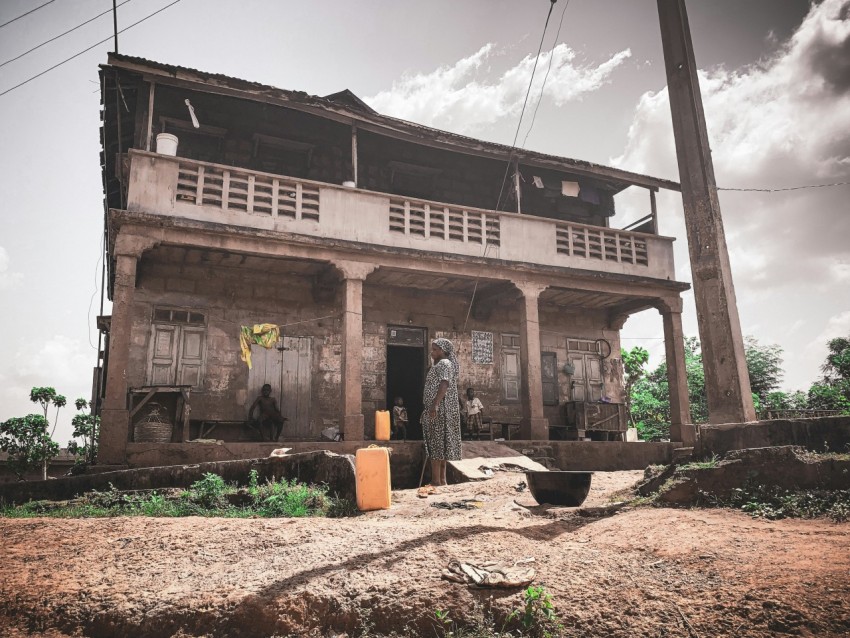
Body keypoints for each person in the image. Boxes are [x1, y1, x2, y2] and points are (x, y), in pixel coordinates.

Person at [421, 337, 462, 488]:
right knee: (441, 445)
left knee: (436, 445)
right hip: (441, 410)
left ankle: (436, 481)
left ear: (443, 351)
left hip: (439, 410)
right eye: (432, 349)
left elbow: (444, 384)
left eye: (435, 349)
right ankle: (442, 481)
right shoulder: (441, 365)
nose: (432, 352)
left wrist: (435, 405)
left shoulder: (444, 363)